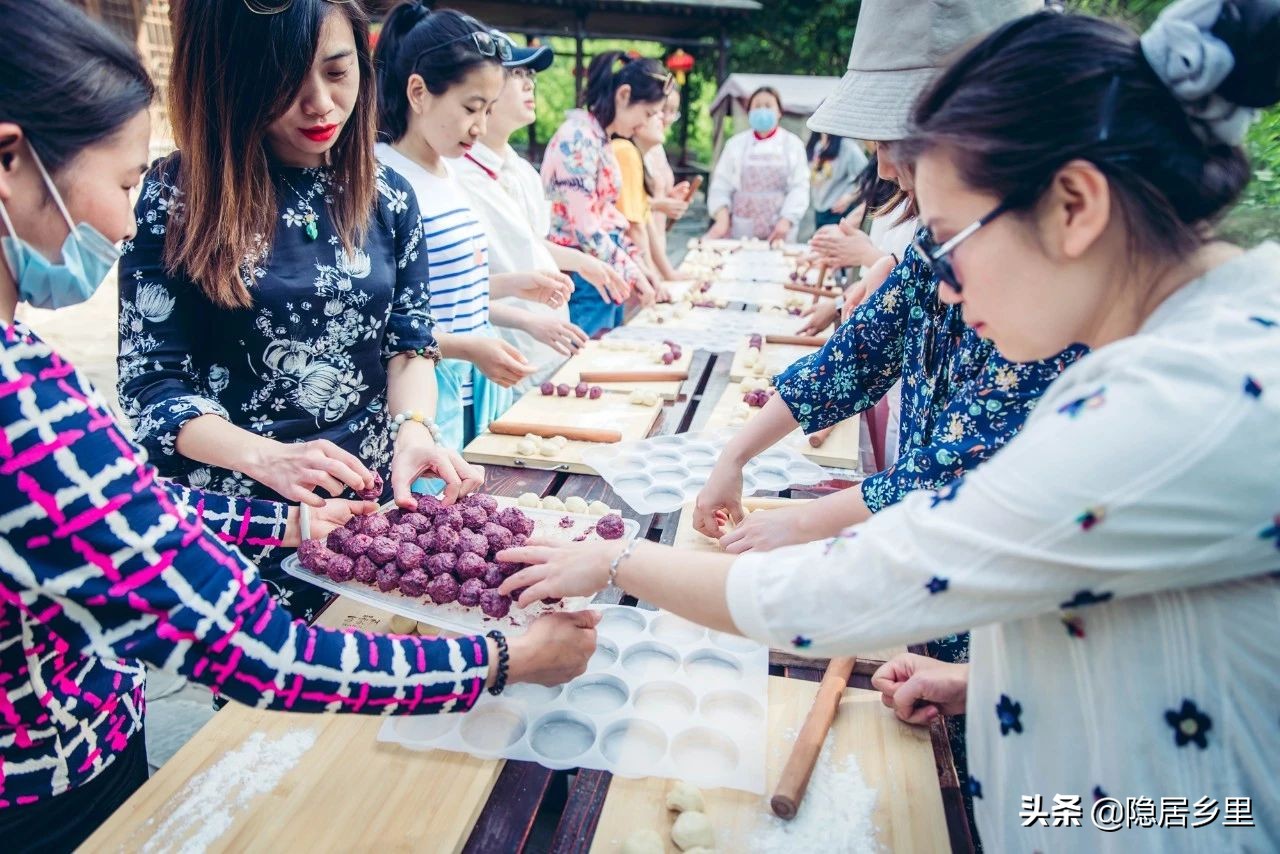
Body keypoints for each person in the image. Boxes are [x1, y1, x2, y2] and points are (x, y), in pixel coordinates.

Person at [495, 4, 1280, 850]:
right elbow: (1165, 629)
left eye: (944, 246)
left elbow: (849, 588)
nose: (934, 287)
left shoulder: (1176, 404)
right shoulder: (1192, 349)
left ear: (1074, 206)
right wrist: (989, 680)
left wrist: (619, 559)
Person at [0, 2, 597, 849]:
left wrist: (346, 477)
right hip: (48, 776)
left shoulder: (386, 194)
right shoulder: (31, 406)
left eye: (339, 71)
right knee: (280, 776)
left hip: (331, 523)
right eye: (126, 184)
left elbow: (111, 507)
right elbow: (261, 652)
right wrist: (504, 661)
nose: (131, 220)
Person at [117, 0, 484, 621]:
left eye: (338, 73)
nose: (319, 104)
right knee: (265, 706)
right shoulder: (174, 196)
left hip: (368, 508)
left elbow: (410, 343)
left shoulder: (388, 194)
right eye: (284, 84)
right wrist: (266, 457)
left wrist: (413, 432)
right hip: (246, 517)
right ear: (229, 82)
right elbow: (152, 386)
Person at [373, 6, 584, 448]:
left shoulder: (446, 170)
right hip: (420, 398)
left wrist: (513, 286)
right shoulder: (384, 180)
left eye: (488, 109)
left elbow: (451, 293)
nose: (481, 126)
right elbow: (383, 321)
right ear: (418, 92)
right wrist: (471, 347)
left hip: (471, 387)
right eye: (472, 108)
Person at [452, 42, 630, 389]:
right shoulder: (455, 174)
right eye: (516, 74)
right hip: (503, 353)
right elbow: (451, 288)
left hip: (548, 339)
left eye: (530, 75)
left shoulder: (522, 171)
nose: (529, 84)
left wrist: (582, 261)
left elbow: (533, 244)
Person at [542, 51, 669, 335]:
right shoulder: (578, 139)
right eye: (648, 113)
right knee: (583, 364)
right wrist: (633, 270)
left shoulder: (599, 138)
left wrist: (636, 263)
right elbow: (586, 229)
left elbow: (608, 216)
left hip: (604, 264)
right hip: (583, 270)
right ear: (623, 95)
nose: (646, 122)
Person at [704, 86, 809, 243]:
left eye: (768, 105)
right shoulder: (735, 144)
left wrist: (786, 220)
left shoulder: (793, 144)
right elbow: (721, 184)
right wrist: (722, 218)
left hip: (779, 231)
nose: (762, 110)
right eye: (757, 106)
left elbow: (799, 187)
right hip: (741, 229)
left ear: (779, 111)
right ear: (749, 112)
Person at [643, 86, 692, 235]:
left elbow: (657, 194)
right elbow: (625, 201)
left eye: (673, 111)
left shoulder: (657, 146)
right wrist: (658, 205)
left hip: (658, 236)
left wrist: (671, 197)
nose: (666, 118)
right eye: (663, 109)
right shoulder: (630, 148)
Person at [807, 133, 868, 231]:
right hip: (819, 210)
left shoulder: (848, 147)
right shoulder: (817, 145)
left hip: (838, 212)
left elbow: (868, 177)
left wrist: (849, 197)